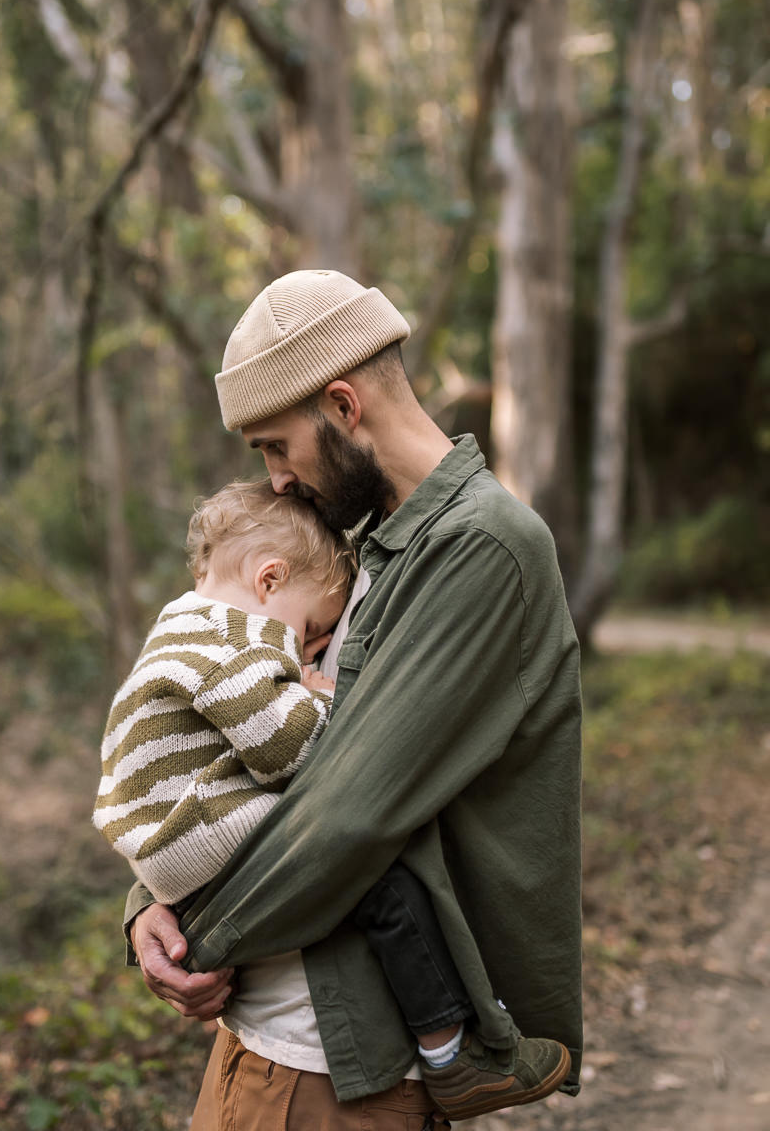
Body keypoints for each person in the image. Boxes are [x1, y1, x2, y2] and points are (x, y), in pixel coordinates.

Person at [124, 269, 584, 1128]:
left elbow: (347, 817)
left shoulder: (484, 550)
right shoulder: (359, 550)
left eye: (274, 447)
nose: (279, 482)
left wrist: (196, 936)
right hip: (258, 1046)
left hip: (338, 1077)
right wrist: (148, 909)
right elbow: (222, 728)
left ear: (341, 407)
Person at [93, 478, 572, 1119]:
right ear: (268, 580)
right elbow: (294, 751)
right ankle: (450, 1050)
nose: (311, 648)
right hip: (216, 878)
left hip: (180, 836)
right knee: (382, 880)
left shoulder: (183, 626)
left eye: (276, 444)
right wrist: (318, 694)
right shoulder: (226, 644)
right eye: (313, 629)